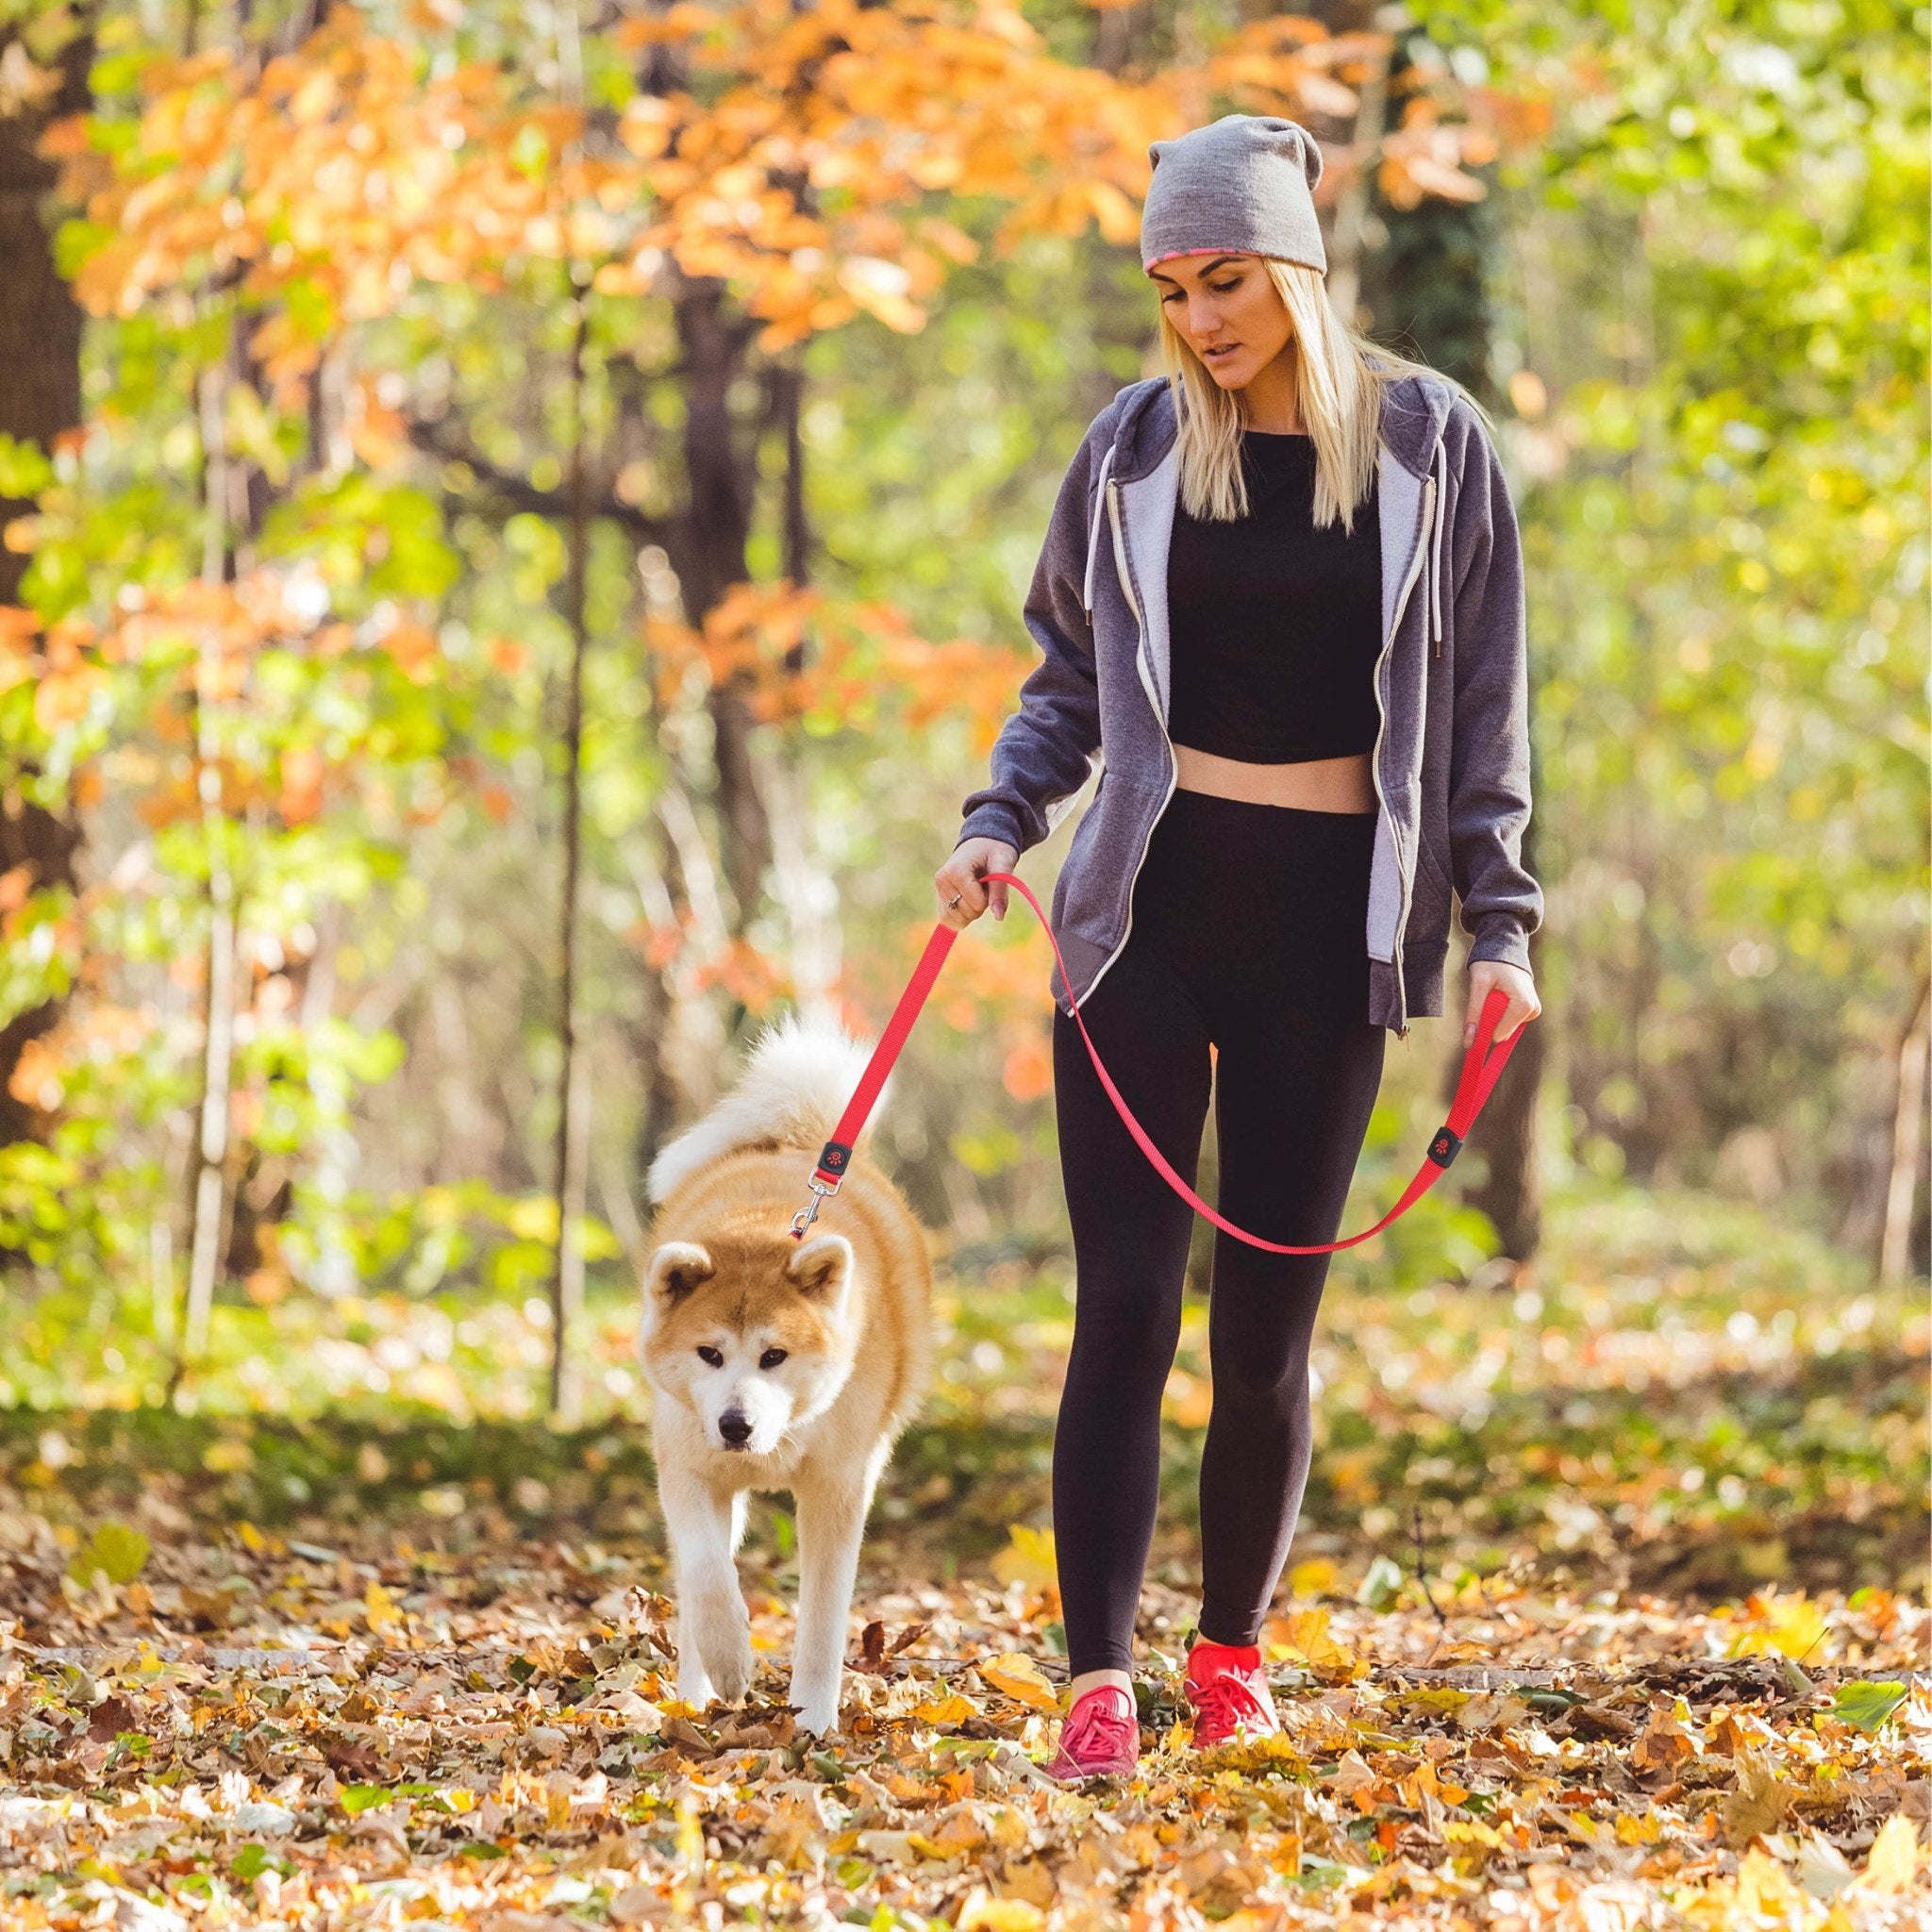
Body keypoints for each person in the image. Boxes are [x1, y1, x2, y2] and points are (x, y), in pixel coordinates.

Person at [931, 114, 1544, 1782]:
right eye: (1172, 288)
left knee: (1267, 1337)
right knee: (1125, 1304)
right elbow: (1067, 670)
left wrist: (1503, 922)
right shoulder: (1134, 448)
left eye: (1228, 281)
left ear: (1295, 266)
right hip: (1144, 911)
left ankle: (1229, 1660)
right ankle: (1095, 1686)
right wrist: (1004, 817)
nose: (1202, 319)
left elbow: (1484, 703)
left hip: (1334, 928)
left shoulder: (1430, 446)